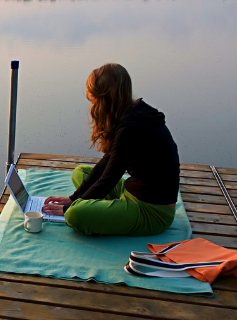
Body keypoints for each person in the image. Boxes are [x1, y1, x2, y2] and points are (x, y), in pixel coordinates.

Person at [41, 63, 180, 236]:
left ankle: (102, 210)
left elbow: (109, 179)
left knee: (75, 215)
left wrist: (71, 207)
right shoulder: (133, 112)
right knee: (80, 173)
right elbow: (107, 162)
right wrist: (74, 197)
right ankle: (105, 208)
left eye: (94, 101)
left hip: (152, 211)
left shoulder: (131, 128)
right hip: (132, 191)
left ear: (104, 99)